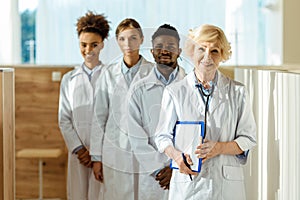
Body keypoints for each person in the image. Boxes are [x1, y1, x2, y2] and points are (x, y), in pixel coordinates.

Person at [154, 24, 257, 200]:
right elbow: (162, 137)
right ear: (192, 51)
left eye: (215, 51)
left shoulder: (238, 92)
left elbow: (249, 139)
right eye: (201, 49)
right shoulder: (174, 92)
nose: (207, 57)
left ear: (223, 55)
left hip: (225, 185)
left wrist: (219, 148)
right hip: (188, 184)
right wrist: (177, 157)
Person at [90, 18, 154, 199]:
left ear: (141, 39)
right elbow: (99, 117)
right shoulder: (108, 74)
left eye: (133, 38)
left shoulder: (153, 72)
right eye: (123, 38)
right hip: (115, 148)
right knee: (117, 194)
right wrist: (96, 157)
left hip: (147, 148)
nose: (128, 44)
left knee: (146, 193)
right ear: (117, 41)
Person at [127, 24, 186, 200]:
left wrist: (175, 167)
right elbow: (136, 137)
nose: (165, 51)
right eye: (159, 47)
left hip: (185, 172)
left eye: (171, 47)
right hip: (154, 177)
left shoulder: (192, 86)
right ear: (152, 52)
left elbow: (195, 133)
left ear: (179, 51)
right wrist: (160, 169)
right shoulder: (138, 89)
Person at [58, 11, 110, 200]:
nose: (89, 50)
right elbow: (64, 119)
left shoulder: (111, 77)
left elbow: (111, 118)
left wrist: (98, 153)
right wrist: (80, 150)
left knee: (101, 195)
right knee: (77, 195)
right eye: (84, 44)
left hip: (104, 154)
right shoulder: (69, 79)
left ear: (102, 44)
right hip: (78, 154)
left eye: (94, 45)